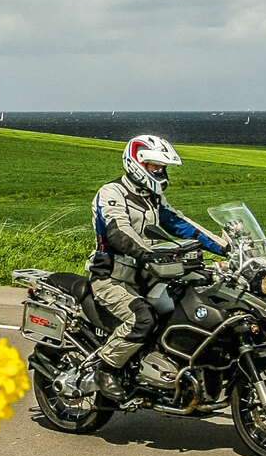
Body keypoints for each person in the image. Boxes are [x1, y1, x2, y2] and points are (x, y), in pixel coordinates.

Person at [88, 134, 226, 401]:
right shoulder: (112, 193)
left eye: (163, 167)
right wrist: (147, 254)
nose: (160, 172)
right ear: (136, 163)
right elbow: (118, 230)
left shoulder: (153, 199)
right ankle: (105, 369)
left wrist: (225, 247)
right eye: (154, 166)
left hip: (149, 276)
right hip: (111, 278)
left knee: (190, 304)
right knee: (142, 318)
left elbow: (180, 224)